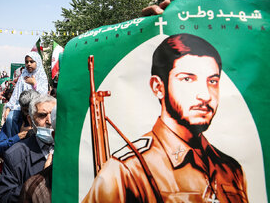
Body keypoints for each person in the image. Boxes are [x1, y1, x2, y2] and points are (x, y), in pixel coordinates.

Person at [83, 34, 248, 203]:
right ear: (158, 87)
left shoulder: (231, 169)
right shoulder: (127, 170)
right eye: (187, 79)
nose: (205, 95)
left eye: (212, 81)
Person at [0, 93, 56, 203]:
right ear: (30, 120)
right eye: (42, 115)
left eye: (54, 115)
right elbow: (3, 198)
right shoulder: (16, 155)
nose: (50, 121)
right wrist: (39, 181)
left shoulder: (73, 149)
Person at [3, 52, 48, 139]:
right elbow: (16, 92)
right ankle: (13, 141)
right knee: (10, 119)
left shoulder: (42, 76)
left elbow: (43, 95)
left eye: (32, 61)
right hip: (21, 106)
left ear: (37, 62)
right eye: (26, 62)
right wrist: (8, 108)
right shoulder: (23, 75)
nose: (28, 64)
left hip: (36, 107)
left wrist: (34, 84)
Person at [0, 90, 39, 159]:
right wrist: (18, 136)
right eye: (26, 111)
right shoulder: (12, 120)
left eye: (31, 111)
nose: (28, 114)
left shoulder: (45, 120)